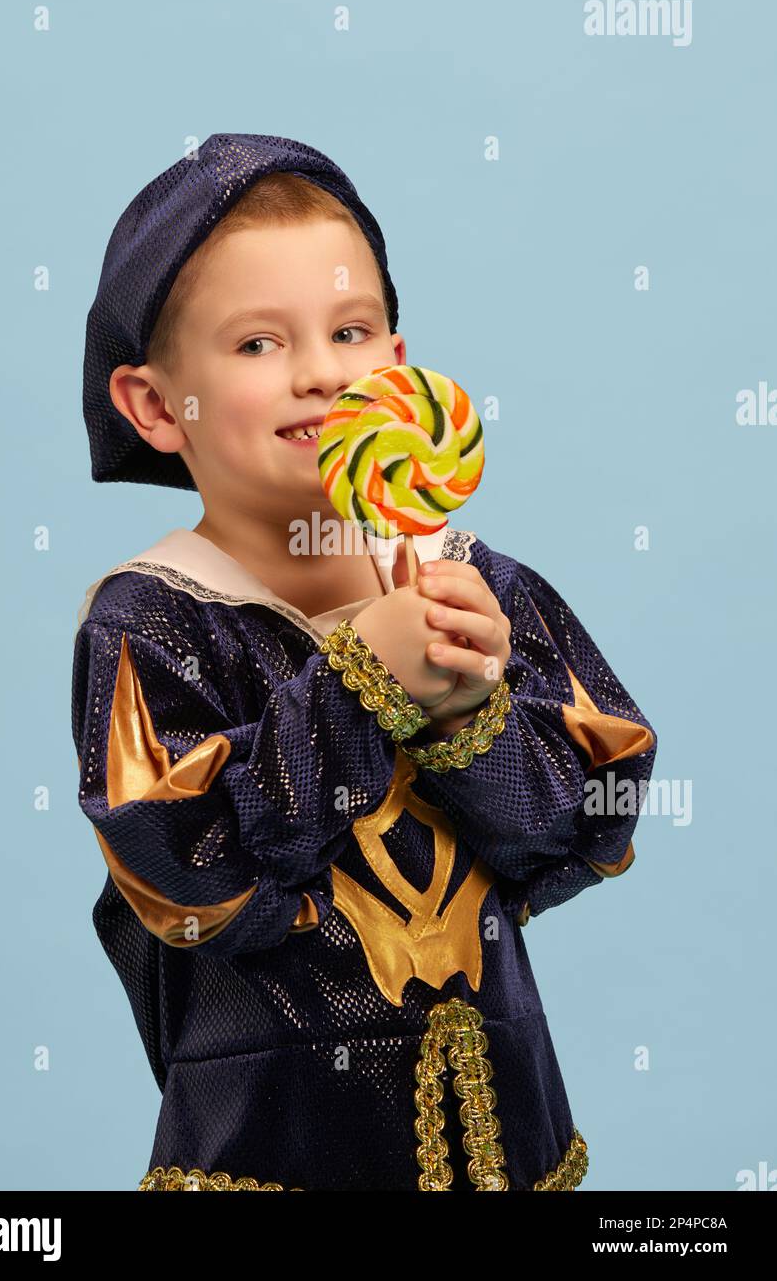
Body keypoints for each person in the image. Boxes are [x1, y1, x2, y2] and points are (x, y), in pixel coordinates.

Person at [72, 132, 657, 1191]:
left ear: (398, 363)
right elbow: (197, 881)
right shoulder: (155, 622)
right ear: (159, 405)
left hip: (509, 1141)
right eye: (257, 345)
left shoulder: (478, 586)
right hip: (273, 1148)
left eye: (352, 329)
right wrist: (359, 686)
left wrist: (471, 712)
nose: (320, 372)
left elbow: (583, 831)